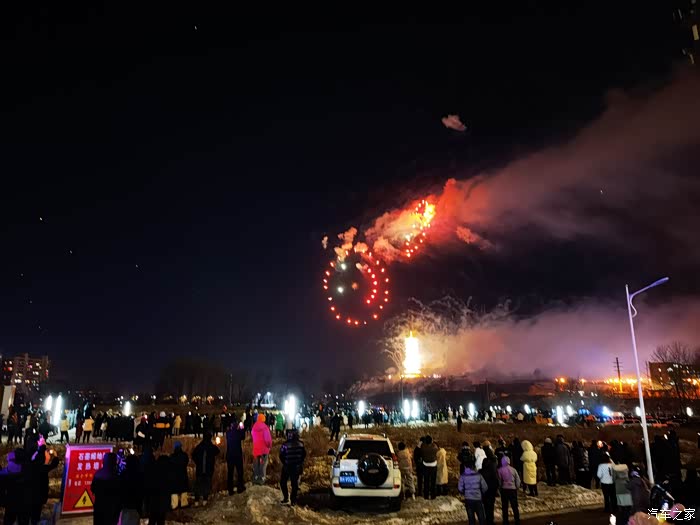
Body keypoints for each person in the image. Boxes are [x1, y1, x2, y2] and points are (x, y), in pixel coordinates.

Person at [27, 436, 60, 523]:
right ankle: (34, 520)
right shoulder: (42, 468)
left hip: (31, 493)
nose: (48, 454)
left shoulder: (33, 461)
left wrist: (42, 448)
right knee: (36, 510)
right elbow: (53, 465)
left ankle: (31, 518)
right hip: (38, 495)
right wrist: (55, 456)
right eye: (46, 453)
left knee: (32, 508)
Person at [92, 452, 121, 525]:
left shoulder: (98, 473)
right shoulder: (116, 475)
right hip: (111, 509)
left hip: (99, 506)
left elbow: (93, 489)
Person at [279, 428, 306, 506]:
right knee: (294, 484)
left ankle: (286, 498)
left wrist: (285, 463)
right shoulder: (301, 444)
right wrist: (299, 462)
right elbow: (304, 455)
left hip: (287, 467)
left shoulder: (285, 444)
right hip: (296, 467)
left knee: (283, 482)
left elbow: (281, 455)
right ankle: (293, 501)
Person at [192, 432, 220, 506]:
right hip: (208, 469)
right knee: (206, 484)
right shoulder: (211, 446)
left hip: (200, 469)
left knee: (198, 484)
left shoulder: (199, 446)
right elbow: (217, 451)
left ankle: (196, 500)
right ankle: (205, 499)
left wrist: (197, 462)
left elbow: (193, 455)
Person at [459, 459, 488, 525]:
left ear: (465, 467)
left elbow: (460, 488)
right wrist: (481, 493)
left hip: (468, 499)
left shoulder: (463, 476)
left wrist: (464, 493)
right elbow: (485, 487)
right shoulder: (478, 475)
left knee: (471, 519)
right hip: (478, 499)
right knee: (481, 518)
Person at [146, 455, 172, 525]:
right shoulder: (167, 474)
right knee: (160, 520)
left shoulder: (154, 472)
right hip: (160, 501)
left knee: (153, 519)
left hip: (154, 501)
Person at [119, 455, 144, 525]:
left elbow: (120, 490)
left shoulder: (123, 474)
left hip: (126, 506)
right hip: (136, 506)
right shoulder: (139, 475)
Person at [498, 456, 521, 525]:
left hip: (504, 489)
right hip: (512, 489)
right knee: (514, 506)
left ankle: (505, 521)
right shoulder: (513, 470)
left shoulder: (500, 470)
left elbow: (499, 481)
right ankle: (517, 520)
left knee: (505, 506)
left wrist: (500, 488)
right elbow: (518, 480)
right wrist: (516, 487)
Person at [226, 419, 246, 495]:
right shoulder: (238, 433)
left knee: (230, 473)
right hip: (237, 455)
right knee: (240, 472)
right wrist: (242, 428)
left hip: (230, 455)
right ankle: (240, 487)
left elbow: (228, 432)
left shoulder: (228, 433)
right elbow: (243, 437)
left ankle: (230, 489)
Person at [480, 448, 499, 525]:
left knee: (485, 505)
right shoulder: (494, 464)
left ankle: (486, 519)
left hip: (485, 489)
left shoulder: (482, 468)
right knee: (491, 505)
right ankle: (490, 520)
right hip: (492, 488)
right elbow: (496, 478)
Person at [251, 414, 272, 485]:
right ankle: (262, 477)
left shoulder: (254, 427)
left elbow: (252, 436)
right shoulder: (265, 427)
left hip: (256, 449)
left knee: (256, 463)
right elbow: (268, 439)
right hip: (264, 449)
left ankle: (256, 476)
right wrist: (269, 446)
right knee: (263, 463)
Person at [169, 441, 190, 509]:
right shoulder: (184, 455)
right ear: (180, 447)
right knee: (183, 490)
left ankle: (174, 505)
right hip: (183, 475)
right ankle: (184, 504)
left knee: (174, 491)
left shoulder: (172, 456)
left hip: (174, 477)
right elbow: (186, 462)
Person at [421, 435, 439, 500]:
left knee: (426, 481)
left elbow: (421, 448)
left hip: (425, 465)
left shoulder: (423, 447)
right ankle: (433, 495)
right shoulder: (435, 447)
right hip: (433, 465)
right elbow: (436, 446)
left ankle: (426, 495)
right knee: (433, 481)